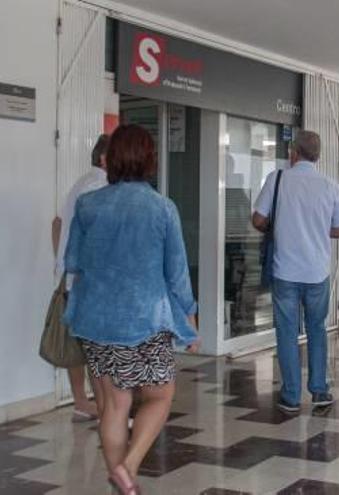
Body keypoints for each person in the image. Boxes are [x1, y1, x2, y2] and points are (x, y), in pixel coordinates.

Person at [63, 125, 200, 494]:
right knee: (159, 396)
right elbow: (177, 271)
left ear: (113, 160)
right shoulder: (161, 207)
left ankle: (124, 485)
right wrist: (189, 315)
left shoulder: (88, 205)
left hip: (93, 320)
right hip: (144, 320)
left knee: (114, 404)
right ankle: (128, 467)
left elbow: (73, 260)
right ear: (149, 160)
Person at [252, 131, 339, 414]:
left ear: (294, 152)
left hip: (285, 271)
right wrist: (318, 229)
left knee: (287, 332)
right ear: (318, 155)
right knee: (317, 330)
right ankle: (319, 390)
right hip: (317, 271)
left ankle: (291, 396)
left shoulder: (277, 179)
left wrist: (278, 227)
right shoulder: (330, 186)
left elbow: (258, 219)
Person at [52, 134, 109, 422]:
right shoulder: (100, 186)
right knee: (94, 343)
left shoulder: (82, 181)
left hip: (72, 274)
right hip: (88, 278)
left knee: (77, 341)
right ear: (105, 159)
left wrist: (60, 263)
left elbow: (58, 222)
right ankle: (103, 407)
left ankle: (81, 401)